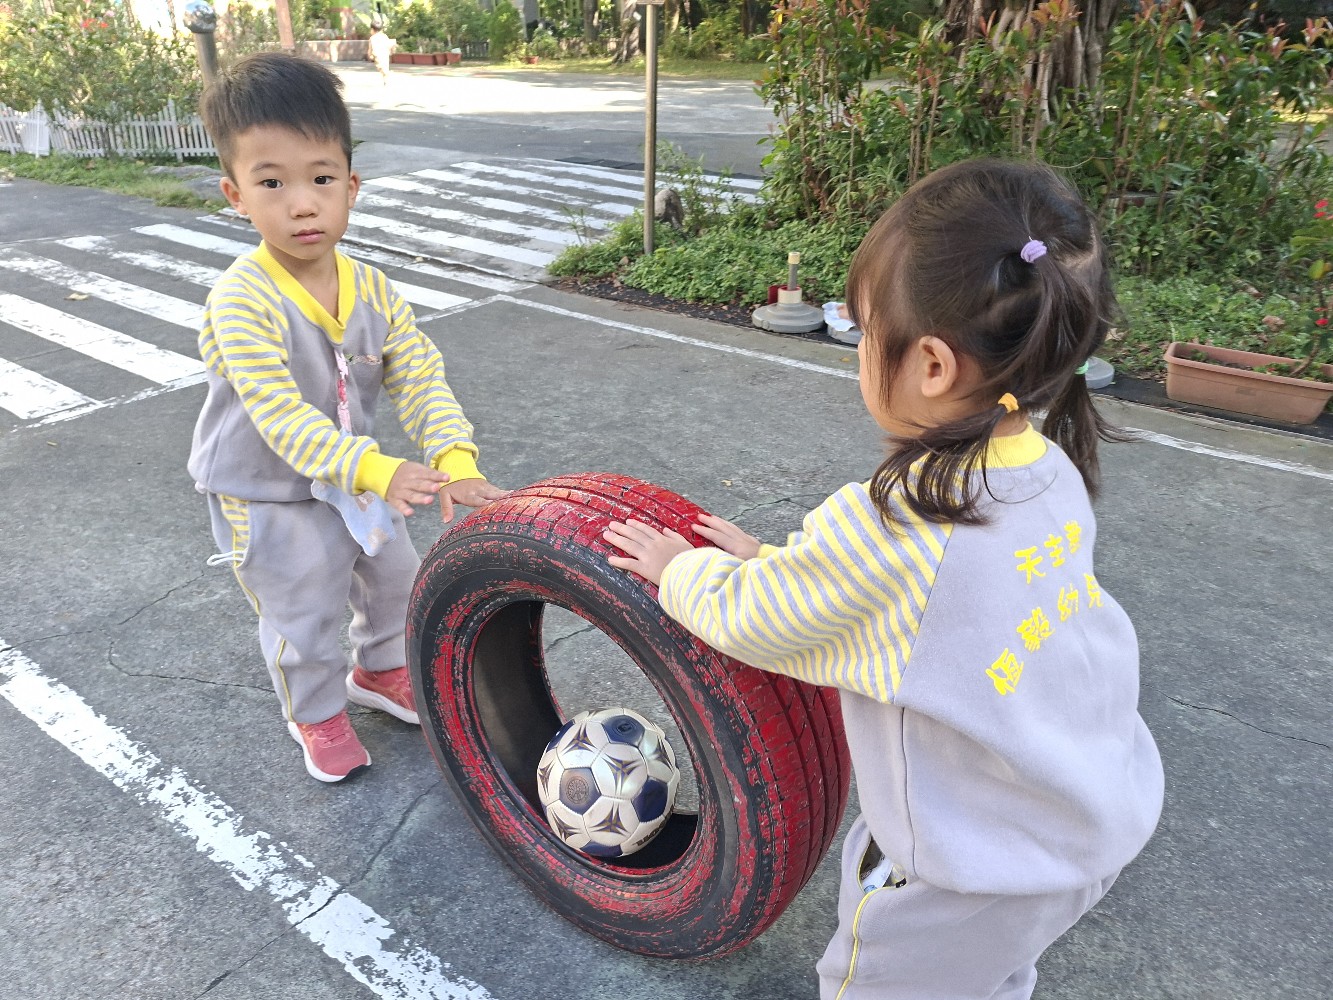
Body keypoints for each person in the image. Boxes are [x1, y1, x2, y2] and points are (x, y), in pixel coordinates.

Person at [604, 158, 1164, 999]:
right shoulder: (1044, 469)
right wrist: (774, 561)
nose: (861, 351)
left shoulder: (902, 521)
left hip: (969, 868)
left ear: (931, 364)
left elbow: (759, 619)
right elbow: (926, 607)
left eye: (866, 332)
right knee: (987, 975)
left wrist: (684, 568)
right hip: (1083, 819)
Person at [190, 52, 507, 783]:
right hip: (265, 490)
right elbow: (277, 415)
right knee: (303, 606)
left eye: (321, 178)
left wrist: (455, 459)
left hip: (354, 473)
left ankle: (381, 671)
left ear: (351, 185)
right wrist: (376, 468)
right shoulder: (241, 300)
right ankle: (316, 711)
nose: (302, 204)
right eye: (272, 183)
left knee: (397, 577)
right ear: (236, 194)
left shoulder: (373, 287)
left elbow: (418, 374)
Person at [367, 15, 395, 85]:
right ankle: (386, 77)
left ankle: (386, 77)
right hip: (384, 53)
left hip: (377, 54)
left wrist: (369, 54)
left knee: (381, 67)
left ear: (372, 30)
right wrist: (391, 51)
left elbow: (370, 48)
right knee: (384, 66)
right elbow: (389, 44)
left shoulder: (372, 38)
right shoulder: (384, 36)